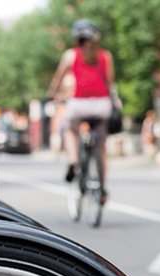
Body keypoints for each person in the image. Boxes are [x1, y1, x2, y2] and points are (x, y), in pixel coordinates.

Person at [47, 19, 121, 203]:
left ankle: (74, 162)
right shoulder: (106, 55)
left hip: (79, 104)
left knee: (70, 129)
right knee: (102, 147)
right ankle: (102, 189)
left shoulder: (71, 55)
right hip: (103, 105)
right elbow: (110, 82)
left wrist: (51, 95)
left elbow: (57, 79)